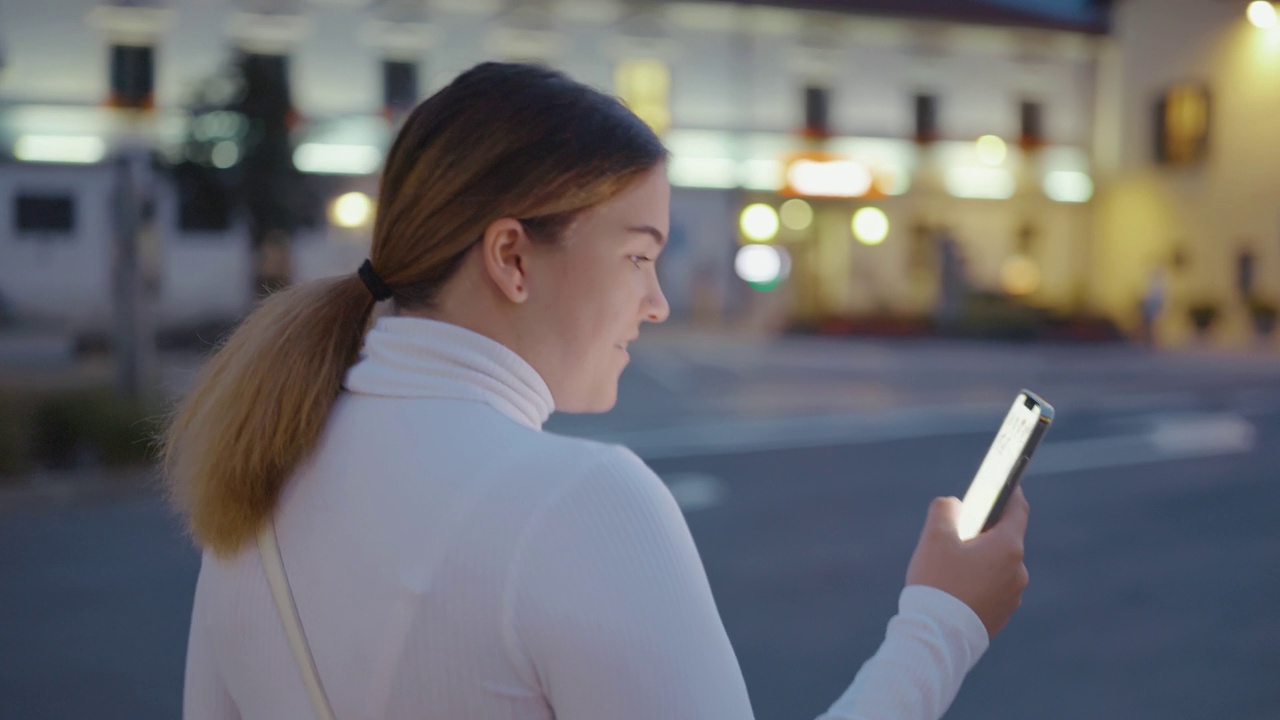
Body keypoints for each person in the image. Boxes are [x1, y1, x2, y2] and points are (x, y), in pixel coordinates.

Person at [165, 62, 1030, 720]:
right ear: (512, 258)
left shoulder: (260, 466)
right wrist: (943, 620)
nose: (655, 302)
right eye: (639, 255)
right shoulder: (583, 504)